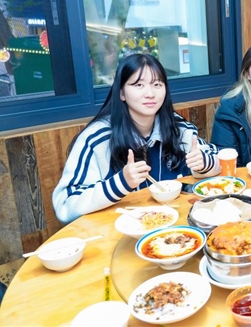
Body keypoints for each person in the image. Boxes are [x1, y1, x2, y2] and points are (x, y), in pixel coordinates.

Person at [53, 54, 220, 224]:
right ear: (122, 93)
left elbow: (219, 162)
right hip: (116, 232)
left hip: (178, 226)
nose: (150, 94)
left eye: (157, 84)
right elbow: (65, 206)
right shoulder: (97, 139)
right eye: (139, 85)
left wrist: (204, 163)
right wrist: (121, 182)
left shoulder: (178, 128)